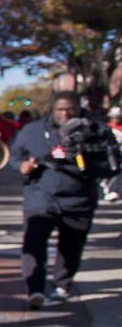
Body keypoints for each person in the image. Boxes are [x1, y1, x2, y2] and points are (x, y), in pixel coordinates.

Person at [11, 90, 116, 308]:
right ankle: (35, 289)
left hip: (79, 200)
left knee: (71, 248)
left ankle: (62, 284)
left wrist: (87, 162)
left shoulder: (98, 131)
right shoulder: (33, 131)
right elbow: (16, 156)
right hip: (40, 198)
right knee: (34, 243)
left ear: (79, 108)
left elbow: (113, 166)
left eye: (70, 109)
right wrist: (23, 166)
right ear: (52, 109)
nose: (65, 114)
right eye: (60, 109)